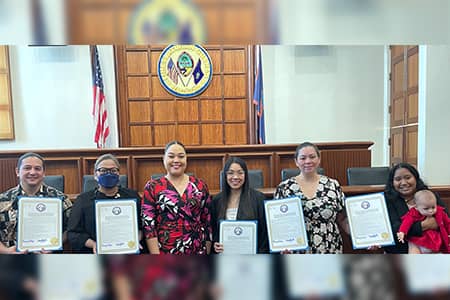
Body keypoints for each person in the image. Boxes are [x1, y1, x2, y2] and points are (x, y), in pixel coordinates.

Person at [273, 142, 348, 254]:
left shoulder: (332, 185)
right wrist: (281, 245)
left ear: (319, 159)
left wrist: (364, 238)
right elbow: (277, 222)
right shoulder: (284, 188)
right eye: (303, 158)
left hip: (329, 246)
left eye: (312, 157)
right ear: (296, 162)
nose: (308, 161)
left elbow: (342, 219)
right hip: (297, 249)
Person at [142, 140, 212, 254]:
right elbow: (149, 226)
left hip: (197, 250)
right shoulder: (153, 187)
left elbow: (207, 222)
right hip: (165, 252)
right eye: (171, 156)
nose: (176, 160)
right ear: (163, 159)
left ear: (186, 159)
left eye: (181, 156)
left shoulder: (200, 186)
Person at [67, 153, 142, 254]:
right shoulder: (83, 200)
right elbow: (73, 233)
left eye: (113, 170)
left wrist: (136, 239)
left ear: (119, 174)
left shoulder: (132, 197)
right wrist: (93, 244)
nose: (108, 174)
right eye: (103, 170)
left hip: (128, 250)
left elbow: (143, 226)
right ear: (95, 175)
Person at [0, 152, 72, 254]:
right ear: (17, 171)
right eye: (27, 168)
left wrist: (54, 245)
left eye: (37, 168)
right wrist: (6, 251)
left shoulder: (60, 198)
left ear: (43, 173)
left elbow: (71, 228)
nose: (32, 172)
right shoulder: (2, 200)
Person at [384, 162, 449, 254]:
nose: (403, 183)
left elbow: (445, 218)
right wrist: (424, 225)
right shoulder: (388, 200)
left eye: (408, 177)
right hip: (402, 251)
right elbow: (394, 230)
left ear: (415, 178)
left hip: (434, 247)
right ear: (392, 182)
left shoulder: (429, 195)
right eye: (398, 179)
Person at [211, 157, 268, 254]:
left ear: (246, 175)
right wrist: (215, 246)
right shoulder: (217, 200)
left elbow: (264, 235)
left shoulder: (259, 199)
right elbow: (214, 233)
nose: (235, 177)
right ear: (225, 175)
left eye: (240, 173)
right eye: (230, 173)